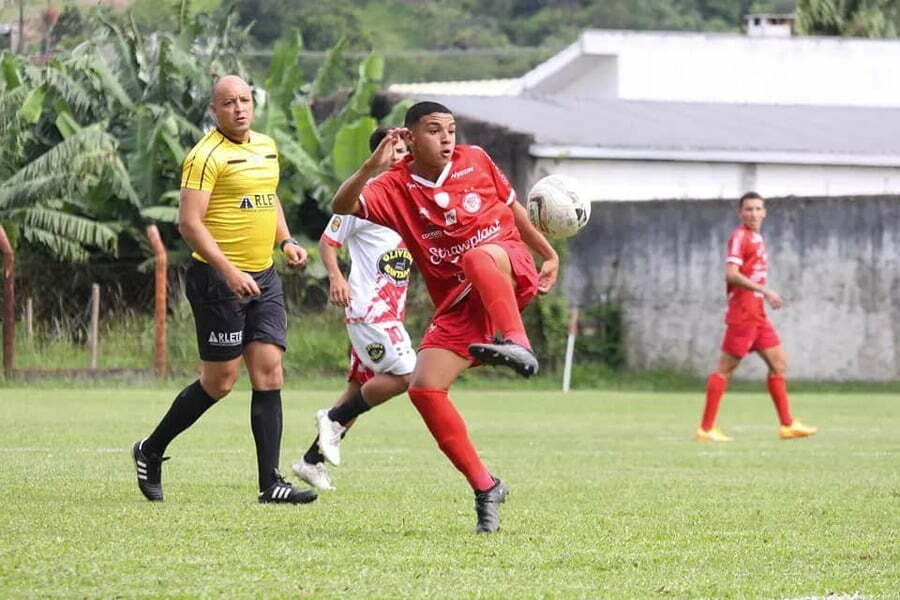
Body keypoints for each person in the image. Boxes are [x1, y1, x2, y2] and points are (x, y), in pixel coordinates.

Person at [331, 101, 559, 533]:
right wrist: (370, 166)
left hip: (508, 267)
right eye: (435, 130)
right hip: (460, 300)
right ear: (410, 138)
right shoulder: (392, 186)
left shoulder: (477, 160)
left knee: (477, 256)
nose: (448, 138)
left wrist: (547, 253)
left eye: (451, 129)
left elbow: (514, 213)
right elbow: (341, 204)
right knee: (424, 388)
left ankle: (518, 342)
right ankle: (485, 486)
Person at [131, 75, 317, 504]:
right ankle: (151, 449)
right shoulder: (204, 156)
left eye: (245, 100)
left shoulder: (267, 146)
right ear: (214, 110)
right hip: (218, 281)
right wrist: (229, 272)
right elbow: (189, 223)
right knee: (220, 382)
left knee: (270, 370)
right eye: (229, 103)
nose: (239, 108)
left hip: (264, 276)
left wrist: (286, 240)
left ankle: (270, 483)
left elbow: (268, 199)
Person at [292, 128, 415, 491]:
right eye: (392, 150)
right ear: (377, 154)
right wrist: (336, 277)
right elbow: (328, 242)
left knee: (358, 392)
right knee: (407, 376)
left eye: (405, 150)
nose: (400, 156)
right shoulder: (366, 197)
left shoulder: (410, 201)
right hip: (368, 308)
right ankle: (330, 420)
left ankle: (311, 462)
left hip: (390, 312)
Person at [695, 191, 817, 442]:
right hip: (743, 312)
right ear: (740, 213)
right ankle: (706, 429)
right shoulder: (740, 237)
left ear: (765, 212)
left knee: (779, 365)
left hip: (757, 313)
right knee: (725, 370)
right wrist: (764, 290)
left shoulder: (756, 238)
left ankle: (787, 425)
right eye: (748, 209)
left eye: (757, 208)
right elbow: (731, 273)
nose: (753, 213)